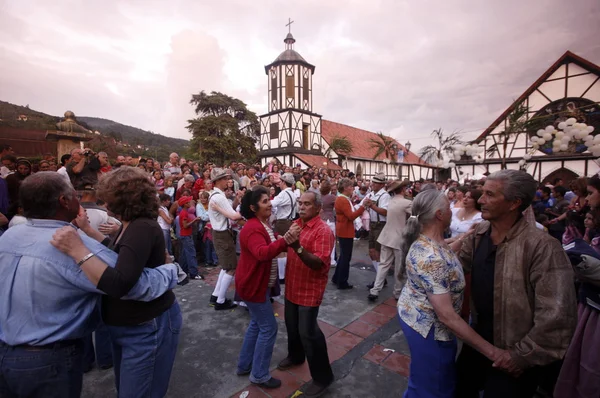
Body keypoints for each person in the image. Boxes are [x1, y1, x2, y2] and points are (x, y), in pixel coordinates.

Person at [0, 172, 178, 397]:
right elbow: (134, 285)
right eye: (76, 195)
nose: (92, 200)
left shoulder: (9, 236)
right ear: (64, 201)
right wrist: (171, 270)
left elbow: (120, 268)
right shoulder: (70, 244)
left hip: (7, 350)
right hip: (48, 358)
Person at [50, 167, 184, 398]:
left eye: (108, 197)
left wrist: (78, 250)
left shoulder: (142, 226)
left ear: (123, 198)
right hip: (131, 326)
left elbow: (121, 282)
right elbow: (120, 255)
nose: (103, 203)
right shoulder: (129, 224)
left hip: (145, 325)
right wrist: (89, 231)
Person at [455, 170, 577, 398]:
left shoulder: (542, 247)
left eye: (490, 195)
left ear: (514, 203)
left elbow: (557, 317)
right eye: (482, 193)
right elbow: (456, 271)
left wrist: (520, 357)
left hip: (514, 355)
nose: (481, 200)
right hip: (478, 342)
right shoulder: (479, 234)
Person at [398, 189, 503, 398]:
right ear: (439, 214)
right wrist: (492, 352)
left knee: (423, 380)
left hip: (416, 316)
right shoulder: (431, 258)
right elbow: (447, 316)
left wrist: (466, 236)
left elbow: (446, 249)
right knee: (435, 388)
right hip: (430, 329)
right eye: (449, 208)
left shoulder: (428, 240)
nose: (453, 211)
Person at [235, 186, 298, 389]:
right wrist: (286, 240)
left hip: (253, 284)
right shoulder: (253, 227)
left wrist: (284, 241)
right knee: (268, 327)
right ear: (253, 207)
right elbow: (262, 253)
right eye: (264, 201)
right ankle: (259, 375)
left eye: (269, 199)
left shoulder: (261, 224)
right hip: (252, 285)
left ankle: (245, 365)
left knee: (257, 324)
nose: (270, 203)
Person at [277, 191, 335, 398]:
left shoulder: (323, 231)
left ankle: (322, 378)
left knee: (309, 333)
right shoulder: (296, 224)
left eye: (307, 204)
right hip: (293, 286)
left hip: (310, 290)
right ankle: (296, 356)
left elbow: (318, 263)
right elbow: (284, 244)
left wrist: (297, 247)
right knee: (292, 326)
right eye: (300, 203)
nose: (301, 207)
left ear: (318, 208)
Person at [368, 180, 412, 302]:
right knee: (398, 267)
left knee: (383, 265)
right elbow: (417, 216)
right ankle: (397, 292)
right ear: (403, 190)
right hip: (398, 238)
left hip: (386, 236)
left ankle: (375, 290)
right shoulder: (406, 203)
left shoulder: (391, 201)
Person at [208, 168, 244, 310]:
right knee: (231, 268)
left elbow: (230, 210)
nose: (227, 181)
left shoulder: (216, 195)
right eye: (224, 179)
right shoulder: (219, 197)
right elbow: (234, 216)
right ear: (217, 181)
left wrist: (236, 200)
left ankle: (216, 296)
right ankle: (220, 301)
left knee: (226, 266)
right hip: (223, 234)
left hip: (220, 233)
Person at [332, 178, 366, 289]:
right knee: (346, 257)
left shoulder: (343, 198)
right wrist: (362, 207)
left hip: (343, 229)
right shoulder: (343, 200)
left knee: (343, 256)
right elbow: (351, 216)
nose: (353, 188)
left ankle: (337, 277)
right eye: (351, 187)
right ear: (346, 188)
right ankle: (342, 281)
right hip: (345, 230)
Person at [363, 172, 390, 288]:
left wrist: (372, 206)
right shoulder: (372, 194)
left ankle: (380, 281)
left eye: (376, 182)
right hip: (373, 225)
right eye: (373, 182)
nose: (373, 184)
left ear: (381, 184)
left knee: (378, 253)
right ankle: (381, 278)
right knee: (371, 252)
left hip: (381, 225)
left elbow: (385, 212)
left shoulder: (385, 196)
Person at [270, 172, 297, 284]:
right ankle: (286, 273)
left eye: (280, 182)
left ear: (284, 182)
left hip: (282, 222)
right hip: (289, 221)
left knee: (281, 249)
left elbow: (272, 204)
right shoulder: (293, 194)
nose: (279, 184)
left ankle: (282, 276)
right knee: (287, 249)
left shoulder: (283, 194)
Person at [178, 195, 203, 280]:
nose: (190, 203)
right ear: (185, 204)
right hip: (186, 235)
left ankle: (183, 272)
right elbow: (185, 226)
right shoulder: (184, 213)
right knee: (191, 254)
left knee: (185, 255)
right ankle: (194, 273)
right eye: (188, 202)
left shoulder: (183, 212)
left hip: (185, 235)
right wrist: (194, 220)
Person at [319, 180, 337, 267]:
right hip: (330, 219)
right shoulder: (331, 197)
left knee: (322, 241)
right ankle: (332, 260)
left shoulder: (319, 196)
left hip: (321, 219)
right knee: (332, 240)